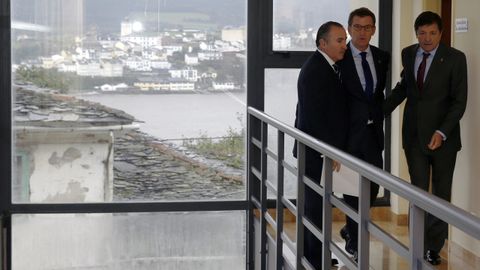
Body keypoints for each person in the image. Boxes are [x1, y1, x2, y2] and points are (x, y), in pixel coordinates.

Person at [384, 11, 468, 265]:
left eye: (432, 33)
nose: (427, 38)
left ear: (441, 34)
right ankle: (417, 245)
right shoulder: (408, 54)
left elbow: (459, 101)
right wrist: (379, 112)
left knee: (441, 193)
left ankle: (434, 246)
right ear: (416, 33)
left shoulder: (455, 59)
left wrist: (441, 132)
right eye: (422, 33)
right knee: (417, 191)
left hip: (444, 137)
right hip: (413, 136)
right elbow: (404, 87)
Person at [293, 21, 348, 269]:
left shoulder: (326, 66)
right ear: (322, 43)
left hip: (316, 150)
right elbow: (313, 118)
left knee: (317, 207)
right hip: (315, 152)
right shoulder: (316, 70)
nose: (344, 45)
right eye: (339, 40)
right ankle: (315, 260)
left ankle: (316, 256)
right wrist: (330, 150)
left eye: (344, 40)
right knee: (314, 209)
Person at [337, 7, 390, 260]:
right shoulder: (340, 56)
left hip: (373, 136)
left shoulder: (382, 57)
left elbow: (378, 96)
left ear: (374, 30)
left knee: (372, 189)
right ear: (349, 29)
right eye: (357, 27)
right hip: (348, 136)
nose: (362, 32)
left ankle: (350, 229)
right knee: (351, 191)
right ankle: (356, 244)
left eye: (367, 27)